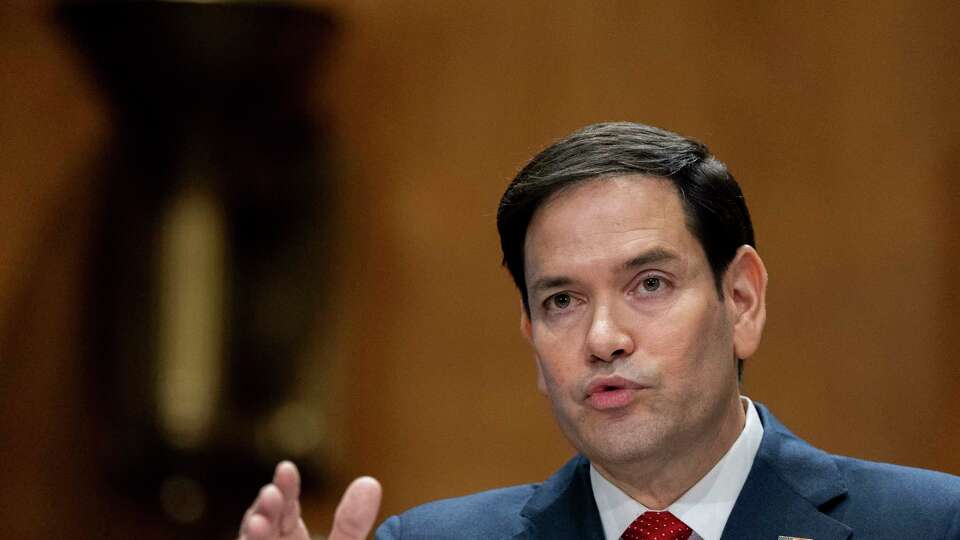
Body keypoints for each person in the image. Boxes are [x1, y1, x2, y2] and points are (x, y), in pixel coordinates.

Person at [237, 122, 960, 540]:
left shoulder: (931, 526)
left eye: (650, 285)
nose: (603, 337)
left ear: (740, 301)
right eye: (561, 301)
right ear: (530, 335)